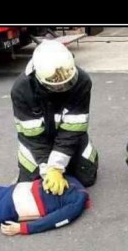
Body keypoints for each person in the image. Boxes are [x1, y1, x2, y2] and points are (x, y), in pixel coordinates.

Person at [10, 40, 98, 196]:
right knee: (33, 186)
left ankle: (75, 157)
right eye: (56, 86)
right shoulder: (22, 90)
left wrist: (56, 167)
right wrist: (47, 170)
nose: (63, 89)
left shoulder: (82, 81)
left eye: (67, 83)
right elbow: (33, 137)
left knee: (86, 177)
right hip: (36, 141)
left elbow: (74, 128)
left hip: (69, 135)